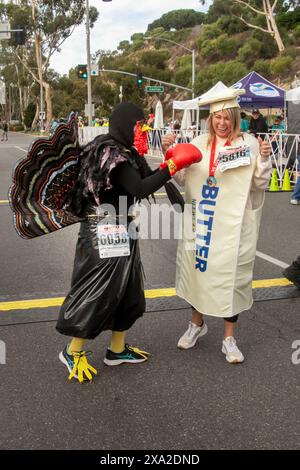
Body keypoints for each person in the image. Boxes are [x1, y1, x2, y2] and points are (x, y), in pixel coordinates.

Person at [56, 102, 202, 383]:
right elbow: (139, 188)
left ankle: (117, 349)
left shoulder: (128, 153)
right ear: (124, 125)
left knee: (128, 291)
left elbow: (147, 179)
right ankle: (72, 350)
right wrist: (172, 165)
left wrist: (167, 160)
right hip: (102, 231)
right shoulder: (110, 153)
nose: (142, 132)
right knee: (98, 291)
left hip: (124, 227)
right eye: (139, 127)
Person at [162, 86, 272, 364]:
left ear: (235, 118)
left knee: (230, 280)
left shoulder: (248, 144)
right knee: (199, 274)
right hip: (202, 224)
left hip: (233, 229)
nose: (222, 123)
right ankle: (197, 325)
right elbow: (183, 180)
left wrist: (266, 158)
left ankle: (228, 338)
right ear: (210, 119)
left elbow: (260, 185)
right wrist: (170, 155)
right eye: (217, 118)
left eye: (227, 118)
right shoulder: (199, 144)